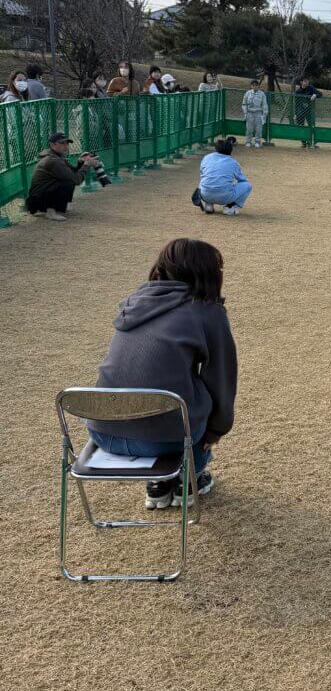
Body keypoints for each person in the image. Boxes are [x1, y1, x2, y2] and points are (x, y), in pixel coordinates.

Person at [86, 238, 237, 510]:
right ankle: (189, 476)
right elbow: (221, 380)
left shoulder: (135, 301)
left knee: (166, 392)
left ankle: (158, 484)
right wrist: (216, 431)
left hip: (103, 431)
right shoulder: (208, 311)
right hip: (165, 438)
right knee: (201, 402)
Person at [25, 132, 101, 220]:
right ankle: (50, 212)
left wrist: (80, 162)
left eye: (67, 143)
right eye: (62, 143)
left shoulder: (56, 156)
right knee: (67, 181)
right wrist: (86, 165)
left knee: (68, 179)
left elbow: (73, 172)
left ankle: (56, 207)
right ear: (52, 145)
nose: (65, 146)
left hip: (38, 199)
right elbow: (77, 179)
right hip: (37, 202)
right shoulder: (53, 160)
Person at [198, 137, 252, 215]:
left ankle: (208, 205)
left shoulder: (207, 157)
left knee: (204, 180)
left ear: (216, 148)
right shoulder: (233, 162)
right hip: (224, 198)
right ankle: (230, 208)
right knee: (247, 185)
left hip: (205, 194)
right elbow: (243, 180)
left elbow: (202, 174)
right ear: (230, 150)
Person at [241, 79, 269, 147]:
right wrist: (245, 113)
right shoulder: (248, 93)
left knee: (258, 129)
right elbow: (244, 103)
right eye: (253, 85)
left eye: (256, 85)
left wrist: (264, 114)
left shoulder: (262, 94)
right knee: (249, 129)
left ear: (258, 86)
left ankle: (257, 142)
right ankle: (248, 141)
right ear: (251, 86)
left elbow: (264, 104)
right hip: (250, 113)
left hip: (258, 113)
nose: (254, 86)